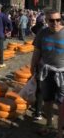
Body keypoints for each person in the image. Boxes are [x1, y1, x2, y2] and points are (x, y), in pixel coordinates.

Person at [31, 10, 64, 138]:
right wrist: (33, 66)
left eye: (58, 19)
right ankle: (49, 124)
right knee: (48, 100)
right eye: (51, 20)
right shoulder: (42, 33)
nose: (55, 23)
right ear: (46, 21)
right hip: (46, 72)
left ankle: (60, 131)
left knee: (62, 103)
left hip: (62, 73)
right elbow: (37, 51)